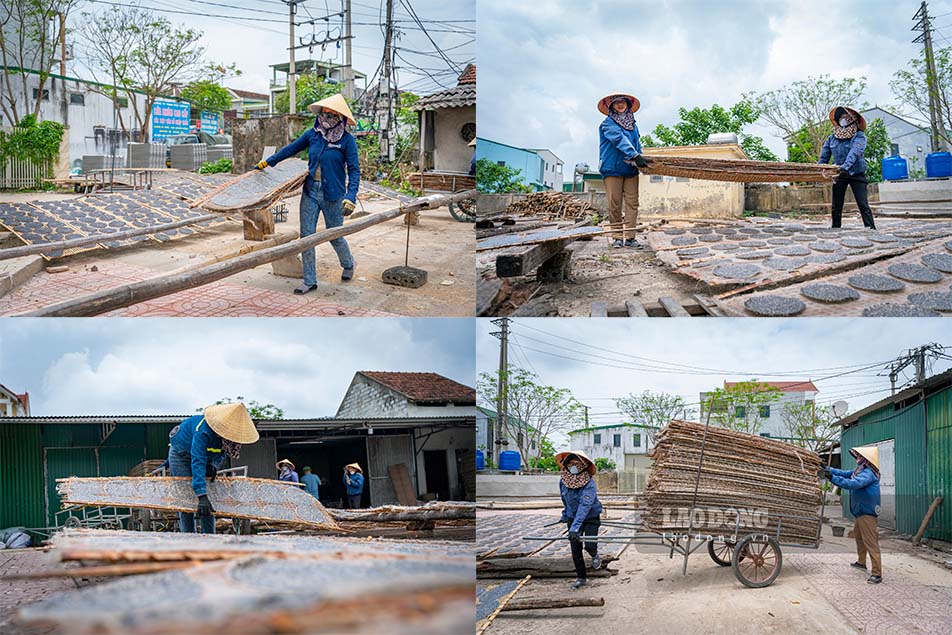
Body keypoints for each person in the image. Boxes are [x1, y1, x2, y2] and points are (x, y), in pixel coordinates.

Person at [256, 93, 360, 294]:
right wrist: (268, 162)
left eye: (332, 114)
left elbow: (354, 170)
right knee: (307, 236)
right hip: (311, 191)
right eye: (325, 113)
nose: (327, 117)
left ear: (340, 117)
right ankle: (309, 280)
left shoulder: (347, 141)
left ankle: (348, 263)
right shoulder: (312, 134)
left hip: (334, 194)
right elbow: (289, 150)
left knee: (334, 234)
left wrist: (351, 196)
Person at [167, 403, 258, 534]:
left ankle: (210, 538)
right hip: (181, 455)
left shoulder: (227, 438)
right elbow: (197, 460)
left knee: (209, 504)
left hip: (204, 457)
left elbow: (220, 454)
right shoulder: (203, 431)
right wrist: (201, 496)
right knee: (185, 498)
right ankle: (187, 538)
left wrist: (213, 465)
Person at [819, 445, 882, 584]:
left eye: (860, 457)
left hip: (867, 512)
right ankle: (861, 562)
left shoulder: (868, 474)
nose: (857, 459)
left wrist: (832, 478)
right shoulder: (859, 471)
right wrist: (827, 469)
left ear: (866, 459)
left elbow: (853, 484)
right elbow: (844, 473)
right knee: (859, 537)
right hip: (860, 511)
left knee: (870, 542)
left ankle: (877, 573)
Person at [597, 92, 649, 249]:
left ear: (628, 105)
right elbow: (619, 139)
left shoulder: (633, 126)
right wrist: (634, 154)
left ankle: (631, 238)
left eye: (623, 102)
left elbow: (636, 145)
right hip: (612, 169)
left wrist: (641, 159)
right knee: (615, 203)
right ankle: (618, 237)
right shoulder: (607, 124)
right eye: (616, 102)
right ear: (611, 106)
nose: (620, 104)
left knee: (632, 204)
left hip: (630, 169)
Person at [818, 106, 877, 230]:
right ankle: (835, 228)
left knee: (863, 204)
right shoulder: (832, 138)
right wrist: (820, 168)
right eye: (841, 118)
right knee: (836, 204)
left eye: (846, 117)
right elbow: (825, 154)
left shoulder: (859, 136)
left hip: (856, 173)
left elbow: (855, 152)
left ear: (853, 119)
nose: (843, 120)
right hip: (839, 174)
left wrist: (845, 167)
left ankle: (871, 228)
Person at [556, 450, 604, 590]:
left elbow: (585, 505)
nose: (574, 466)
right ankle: (581, 577)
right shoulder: (563, 481)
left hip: (590, 517)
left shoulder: (588, 483)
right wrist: (565, 515)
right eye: (571, 463)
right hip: (573, 517)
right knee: (575, 549)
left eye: (577, 464)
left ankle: (594, 554)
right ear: (566, 464)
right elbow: (564, 499)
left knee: (589, 544)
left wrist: (575, 527)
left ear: (583, 465)